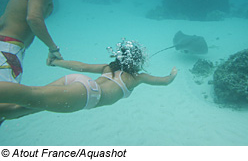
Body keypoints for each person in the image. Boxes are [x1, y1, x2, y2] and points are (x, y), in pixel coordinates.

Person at [0, 39, 177, 117]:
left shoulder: (108, 67)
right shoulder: (137, 77)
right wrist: (173, 74)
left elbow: (80, 66)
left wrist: (55, 63)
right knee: (31, 96)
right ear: (137, 62)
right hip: (85, 95)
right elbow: (164, 81)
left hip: (77, 81)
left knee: (27, 107)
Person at [0, 0, 63, 124]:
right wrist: (53, 48)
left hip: (5, 46)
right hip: (9, 50)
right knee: (4, 105)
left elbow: (4, 19)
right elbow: (33, 18)